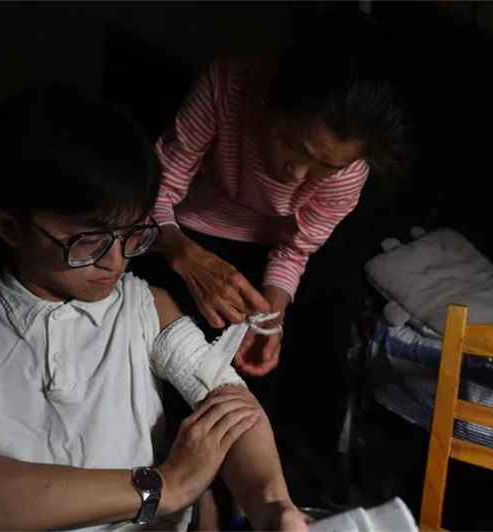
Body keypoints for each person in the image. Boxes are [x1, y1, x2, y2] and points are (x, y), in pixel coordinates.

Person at [0, 84, 307, 532]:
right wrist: (166, 486)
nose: (116, 260)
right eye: (88, 240)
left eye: (133, 233)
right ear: (9, 226)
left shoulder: (146, 307)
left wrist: (273, 504)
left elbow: (230, 405)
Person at [136, 24, 405, 386]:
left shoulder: (349, 168)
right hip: (182, 225)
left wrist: (271, 319)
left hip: (270, 246)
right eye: (292, 145)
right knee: (153, 339)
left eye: (325, 168)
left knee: (297, 362)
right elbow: (157, 191)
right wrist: (180, 249)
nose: (297, 174)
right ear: (270, 101)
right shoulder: (226, 86)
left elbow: (295, 248)